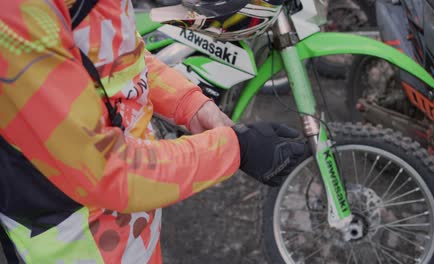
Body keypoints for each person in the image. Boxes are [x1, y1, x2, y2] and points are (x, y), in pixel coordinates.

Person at [0, 0, 305, 262]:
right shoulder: (16, 15)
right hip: (74, 239)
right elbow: (109, 171)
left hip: (129, 220)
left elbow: (115, 56)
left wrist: (191, 104)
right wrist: (237, 148)